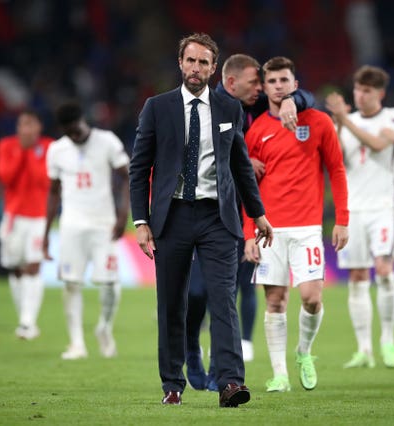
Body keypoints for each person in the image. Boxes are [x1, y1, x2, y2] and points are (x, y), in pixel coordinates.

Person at [129, 33, 273, 407]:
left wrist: (257, 214)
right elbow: (139, 168)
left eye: (203, 63)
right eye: (190, 61)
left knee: (224, 299)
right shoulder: (157, 108)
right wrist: (140, 222)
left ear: (213, 68)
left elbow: (241, 166)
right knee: (172, 303)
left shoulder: (229, 110)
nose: (196, 69)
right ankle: (172, 384)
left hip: (217, 216)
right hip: (171, 217)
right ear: (180, 63)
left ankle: (229, 383)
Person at [185, 53, 317, 391]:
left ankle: (219, 370)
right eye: (255, 82)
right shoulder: (205, 107)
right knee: (198, 293)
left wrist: (291, 99)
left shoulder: (255, 110)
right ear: (231, 83)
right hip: (203, 214)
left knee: (227, 295)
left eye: (264, 82)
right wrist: (243, 161)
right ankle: (190, 348)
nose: (261, 88)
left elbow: (309, 100)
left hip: (241, 218)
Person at [243, 56, 349, 393]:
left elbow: (337, 170)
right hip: (268, 230)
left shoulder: (318, 122)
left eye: (284, 80)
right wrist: (249, 234)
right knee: (275, 302)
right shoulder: (257, 129)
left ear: (295, 85)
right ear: (265, 86)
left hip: (306, 229)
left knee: (311, 298)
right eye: (272, 81)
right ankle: (279, 375)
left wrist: (342, 220)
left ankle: (304, 352)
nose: (278, 86)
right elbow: (248, 187)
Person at [325, 65, 394, 369]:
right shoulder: (347, 122)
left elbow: (378, 144)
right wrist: (340, 124)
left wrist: (344, 119)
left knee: (384, 270)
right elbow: (335, 159)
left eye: (367, 91)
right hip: (353, 209)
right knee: (357, 277)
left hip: (383, 206)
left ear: (380, 94)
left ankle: (388, 340)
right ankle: (364, 350)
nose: (360, 96)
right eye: (357, 89)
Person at [43, 101, 129, 360]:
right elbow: (54, 191)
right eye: (69, 132)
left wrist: (123, 212)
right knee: (71, 283)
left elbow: (127, 175)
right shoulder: (57, 150)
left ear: (84, 121)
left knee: (111, 283)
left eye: (77, 130)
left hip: (103, 224)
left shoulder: (107, 141)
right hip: (71, 225)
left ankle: (104, 327)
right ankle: (77, 343)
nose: (74, 136)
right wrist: (46, 232)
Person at [0, 110, 52, 340]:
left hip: (39, 216)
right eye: (22, 124)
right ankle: (24, 318)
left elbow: (46, 179)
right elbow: (5, 177)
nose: (26, 129)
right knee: (16, 268)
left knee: (33, 265)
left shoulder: (49, 147)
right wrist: (23, 152)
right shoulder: (7, 145)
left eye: (30, 124)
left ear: (39, 126)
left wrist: (30, 153)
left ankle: (28, 322)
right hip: (14, 217)